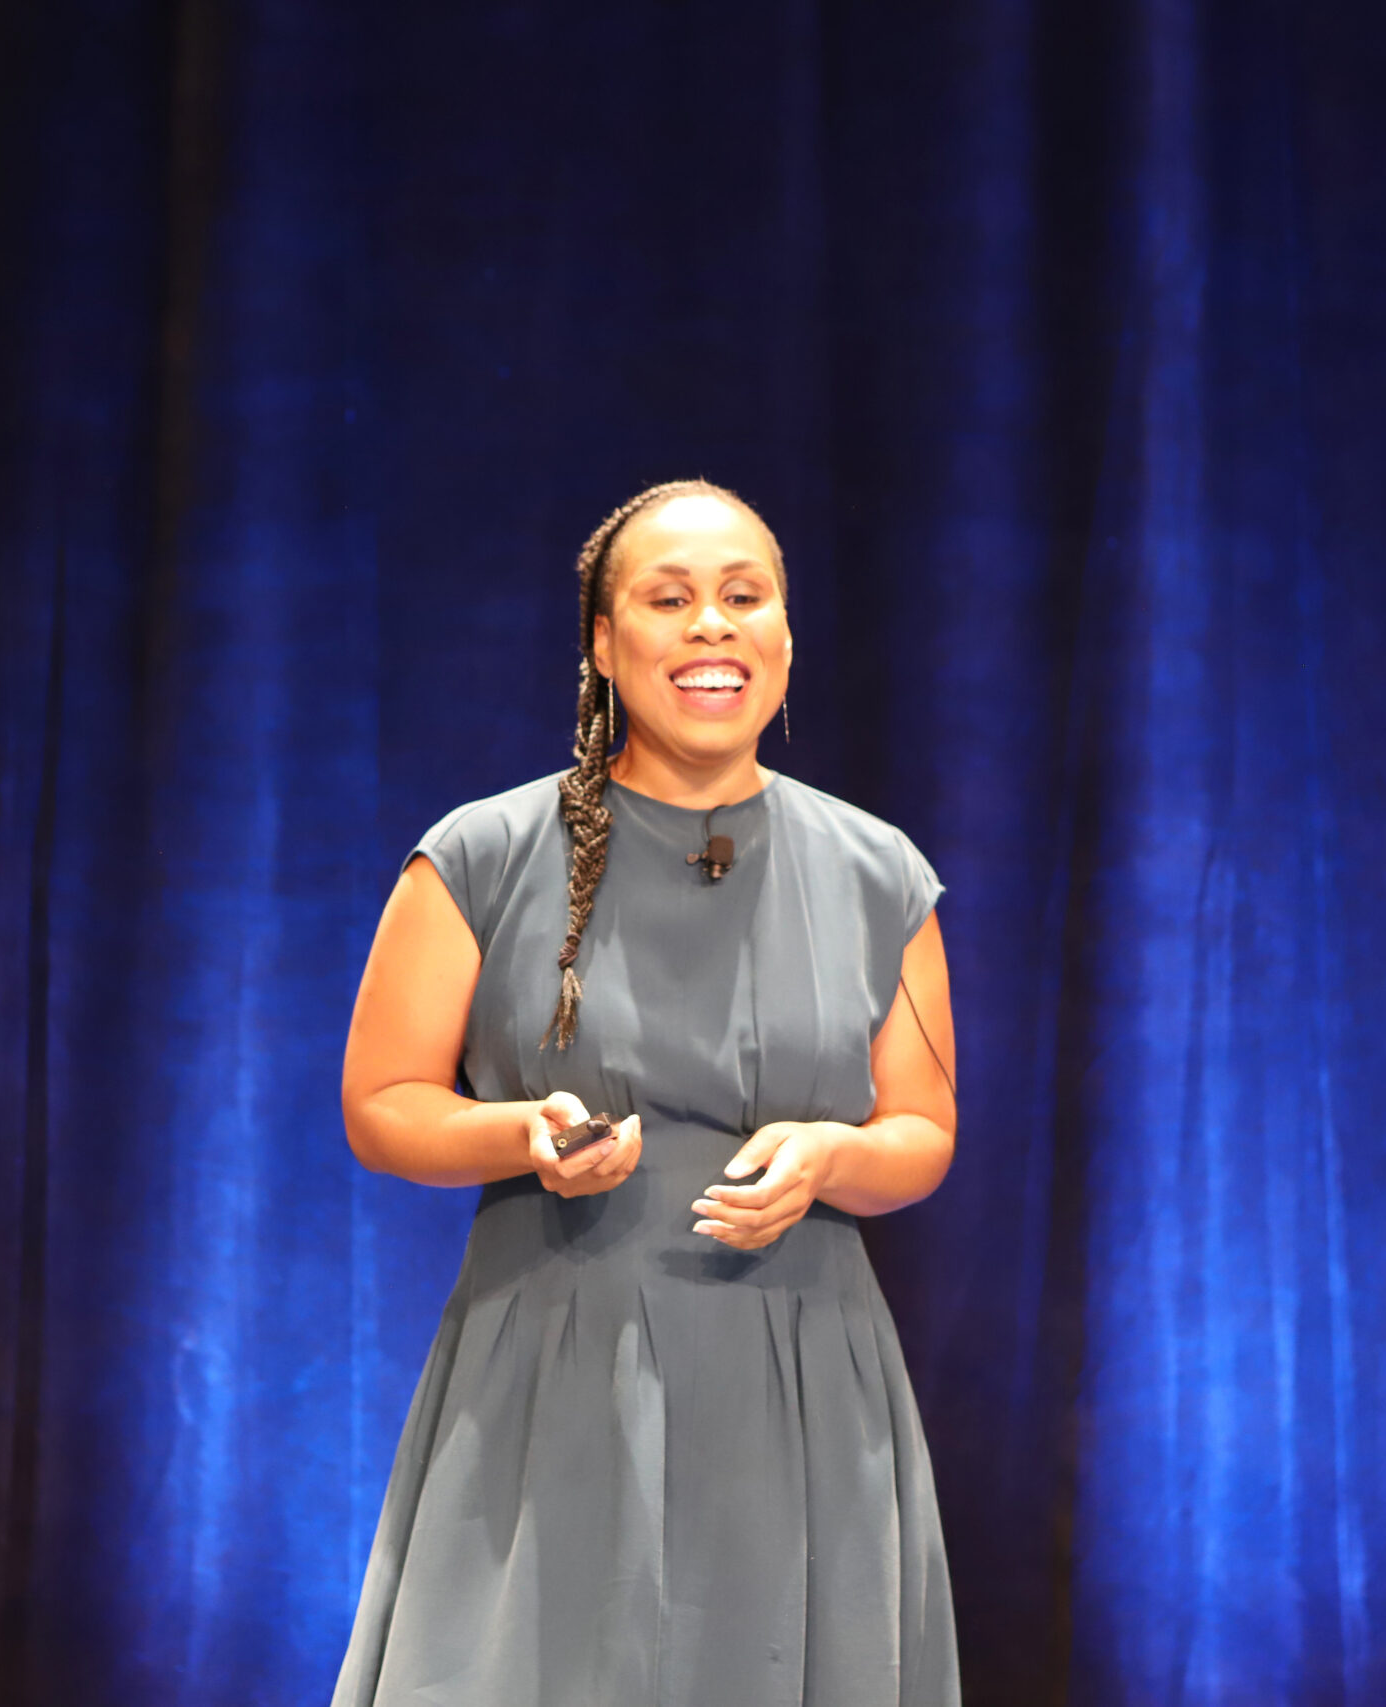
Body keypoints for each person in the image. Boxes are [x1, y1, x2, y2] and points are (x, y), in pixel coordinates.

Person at [331, 479, 961, 1705]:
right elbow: (383, 1102)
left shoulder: (880, 872)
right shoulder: (479, 854)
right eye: (668, 601)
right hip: (558, 1357)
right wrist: (522, 1133)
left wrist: (830, 1158)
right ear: (605, 645)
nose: (711, 625)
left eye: (743, 597)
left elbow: (921, 1131)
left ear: (786, 637)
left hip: (799, 1376)